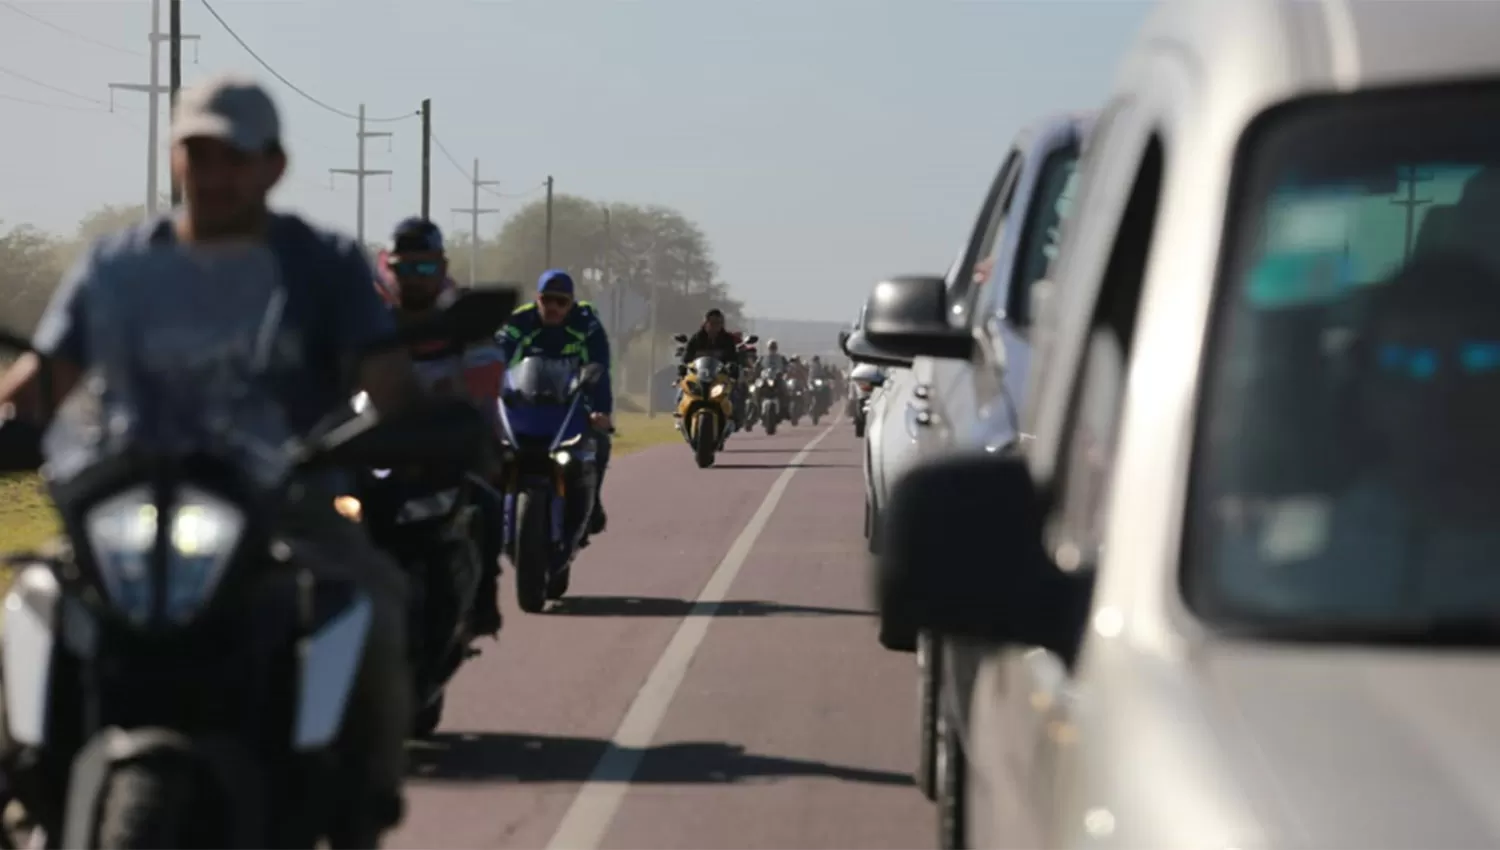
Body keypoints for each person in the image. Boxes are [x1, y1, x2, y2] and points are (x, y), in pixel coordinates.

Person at [0, 73, 418, 839]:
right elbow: (43, 382)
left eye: (234, 156)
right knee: (29, 608)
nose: (215, 173)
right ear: (175, 159)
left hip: (281, 501)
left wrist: (416, 421)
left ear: (272, 166)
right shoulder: (118, 264)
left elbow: (385, 380)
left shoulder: (322, 262)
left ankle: (358, 804)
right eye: (199, 153)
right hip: (125, 497)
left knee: (372, 601)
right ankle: (22, 790)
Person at [376, 216, 505, 638]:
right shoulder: (369, 320)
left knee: (486, 501)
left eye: (425, 267)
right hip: (378, 446)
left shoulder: (464, 320)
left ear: (442, 266)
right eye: (404, 268)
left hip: (450, 444)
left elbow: (486, 376)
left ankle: (484, 600)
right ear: (389, 268)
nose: (414, 278)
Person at [495, 269, 613, 536]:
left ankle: (592, 503)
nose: (553, 308)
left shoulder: (587, 324)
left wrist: (601, 410)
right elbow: (497, 358)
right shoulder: (520, 321)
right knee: (490, 447)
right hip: (528, 401)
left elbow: (600, 367)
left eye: (561, 302)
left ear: (571, 303)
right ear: (538, 299)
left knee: (599, 442)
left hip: (571, 401)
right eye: (547, 300)